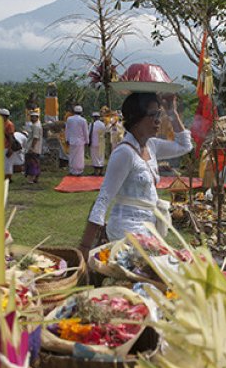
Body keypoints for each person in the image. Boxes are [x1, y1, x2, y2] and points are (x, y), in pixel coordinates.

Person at [79, 93, 192, 259]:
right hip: (126, 231)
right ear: (136, 119)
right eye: (152, 115)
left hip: (149, 229)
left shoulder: (151, 146)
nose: (158, 121)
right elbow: (103, 199)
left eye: (159, 114)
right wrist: (84, 248)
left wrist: (172, 113)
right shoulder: (124, 153)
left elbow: (185, 145)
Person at [65, 105, 89, 176]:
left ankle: (72, 170)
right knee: (79, 157)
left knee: (72, 156)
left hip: (72, 140)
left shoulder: (69, 119)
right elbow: (86, 132)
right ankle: (79, 171)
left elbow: (67, 130)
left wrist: (67, 139)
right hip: (80, 141)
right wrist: (87, 141)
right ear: (81, 112)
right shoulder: (83, 120)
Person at [0, 108, 16, 182]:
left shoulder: (9, 124)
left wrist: (10, 148)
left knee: (7, 163)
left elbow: (11, 137)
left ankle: (8, 177)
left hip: (7, 146)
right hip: (2, 145)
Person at [25, 110, 43, 183]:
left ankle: (31, 178)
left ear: (37, 118)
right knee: (36, 162)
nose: (31, 119)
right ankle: (36, 178)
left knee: (32, 163)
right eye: (31, 117)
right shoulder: (36, 125)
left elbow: (35, 138)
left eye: (33, 117)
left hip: (34, 148)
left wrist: (32, 147)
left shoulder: (36, 126)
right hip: (36, 147)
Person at [89, 111, 106, 175]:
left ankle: (96, 171)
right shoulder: (103, 124)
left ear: (94, 118)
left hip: (94, 143)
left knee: (95, 157)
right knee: (101, 156)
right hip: (101, 142)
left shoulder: (92, 124)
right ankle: (101, 171)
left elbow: (89, 133)